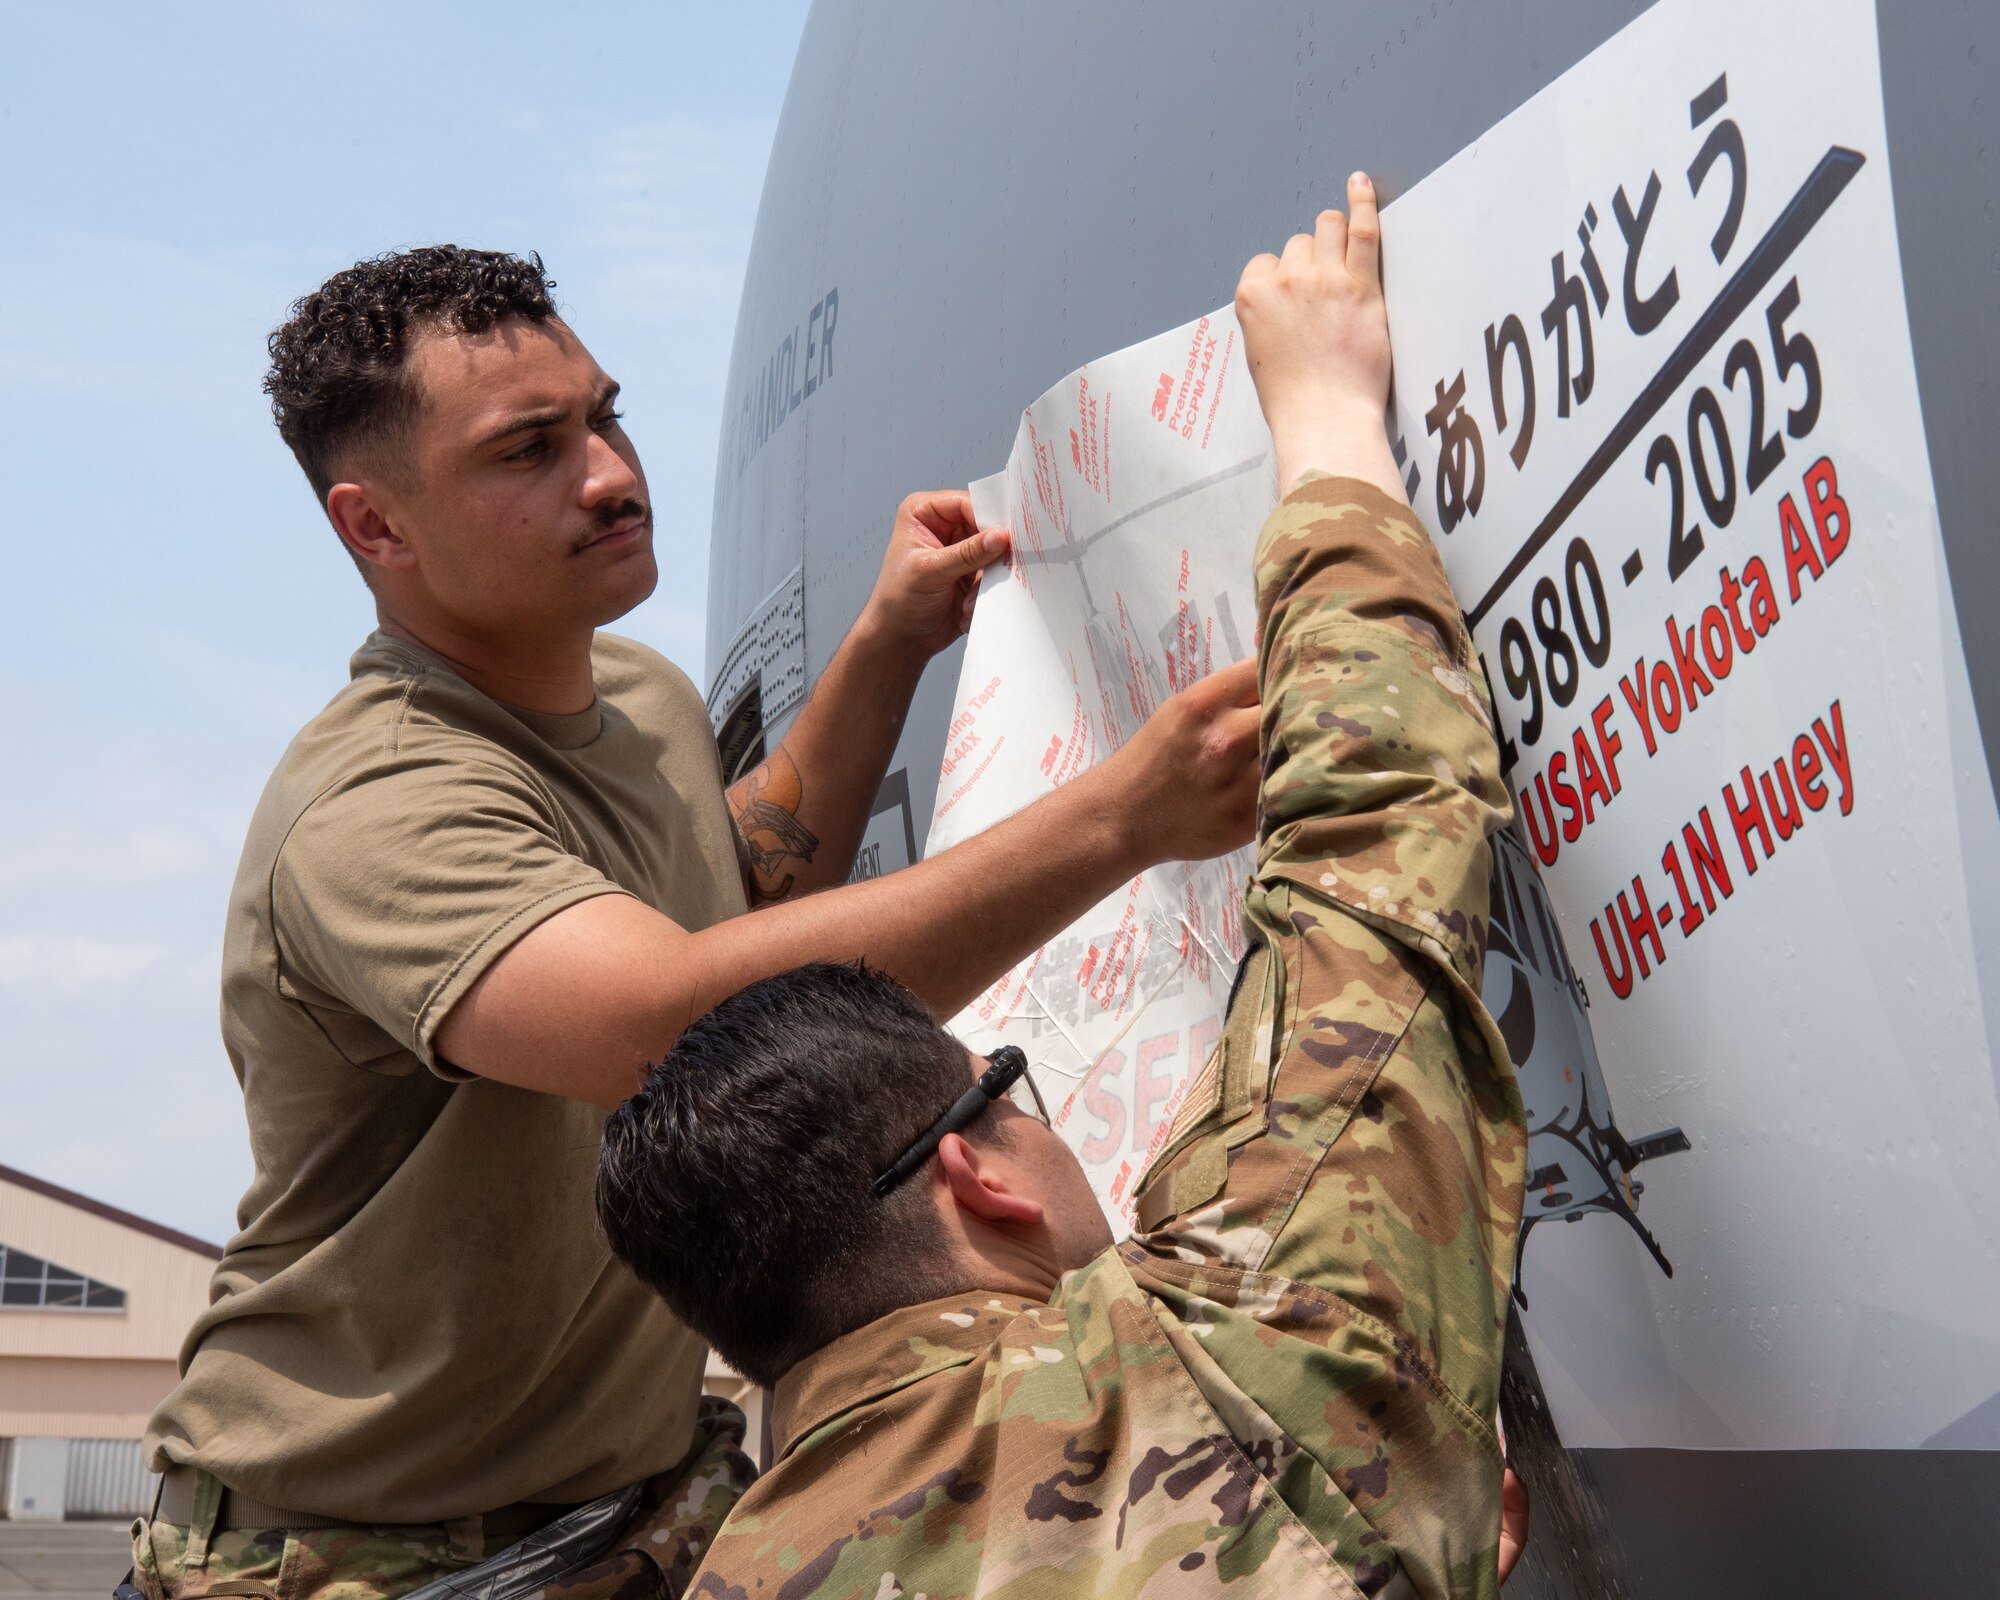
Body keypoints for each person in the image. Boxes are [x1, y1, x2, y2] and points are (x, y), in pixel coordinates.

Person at [135, 247, 1261, 1600]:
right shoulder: (378, 805)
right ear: (376, 527)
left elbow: (743, 891)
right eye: (529, 451)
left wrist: (889, 643)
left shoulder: (637, 694)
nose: (609, 473)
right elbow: (670, 1026)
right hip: (362, 1562)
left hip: (637, 1516)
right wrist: (1121, 819)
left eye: (604, 416)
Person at [597, 172, 1530, 1598]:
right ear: (978, 1177)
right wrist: (1333, 422)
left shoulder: (734, 1570)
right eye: (1009, 1082)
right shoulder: (1227, 1362)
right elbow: (1377, 862)